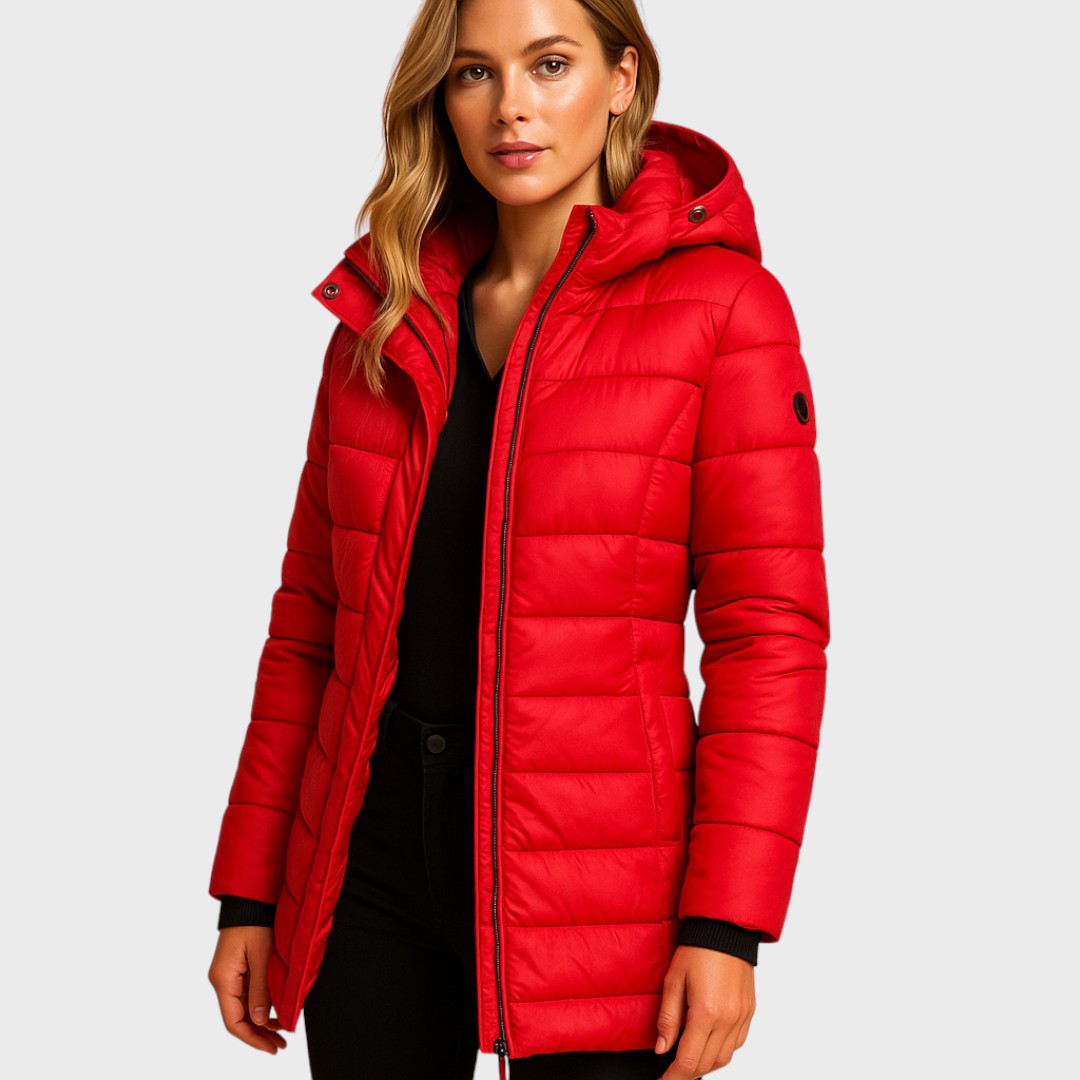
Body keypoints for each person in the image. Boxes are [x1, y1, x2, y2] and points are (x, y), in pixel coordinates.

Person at [206, 1, 830, 1077]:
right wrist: (252, 892)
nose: (512, 108)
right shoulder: (385, 319)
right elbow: (310, 626)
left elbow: (767, 637)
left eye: (550, 64)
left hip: (601, 882)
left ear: (622, 81)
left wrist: (727, 926)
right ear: (440, 98)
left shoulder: (724, 310)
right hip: (368, 866)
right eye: (474, 74)